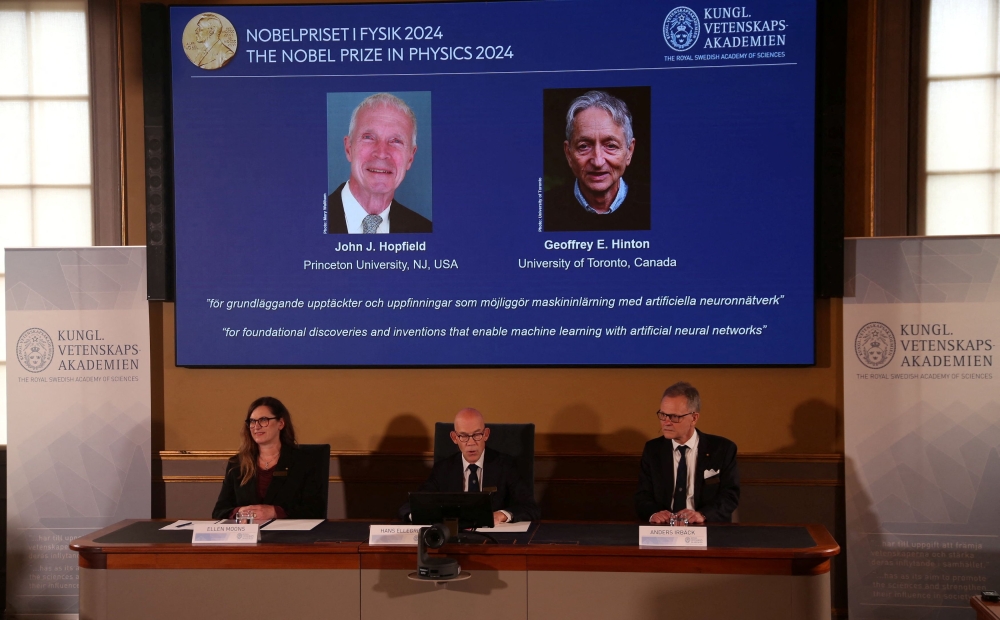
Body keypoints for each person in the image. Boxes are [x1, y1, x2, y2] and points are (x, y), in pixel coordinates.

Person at [399, 408, 540, 525]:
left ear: (486, 434)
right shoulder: (444, 469)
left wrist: (502, 515)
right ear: (454, 438)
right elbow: (410, 506)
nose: (471, 443)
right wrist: (419, 515)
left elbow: (530, 507)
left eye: (477, 435)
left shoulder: (505, 465)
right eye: (464, 436)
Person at [544, 90, 650, 231]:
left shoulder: (655, 206)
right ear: (568, 154)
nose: (598, 161)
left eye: (611, 146)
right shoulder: (544, 210)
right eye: (584, 146)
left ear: (629, 151)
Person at [634, 382, 740, 524]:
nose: (666, 422)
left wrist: (702, 515)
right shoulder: (653, 450)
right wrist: (654, 514)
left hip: (707, 527)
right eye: (663, 415)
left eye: (674, 417)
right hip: (664, 528)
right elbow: (643, 495)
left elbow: (730, 495)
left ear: (694, 418)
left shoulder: (722, 449)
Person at [327, 93, 432, 234]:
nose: (382, 153)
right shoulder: (309, 221)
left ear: (410, 157)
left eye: (396, 141)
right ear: (348, 148)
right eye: (369, 137)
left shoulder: (424, 230)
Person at [212, 396, 326, 520]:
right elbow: (219, 511)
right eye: (252, 421)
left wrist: (274, 512)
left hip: (289, 536)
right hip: (246, 536)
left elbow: (315, 510)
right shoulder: (237, 464)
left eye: (263, 420)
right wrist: (240, 512)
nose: (256, 426)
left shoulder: (303, 462)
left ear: (281, 423)